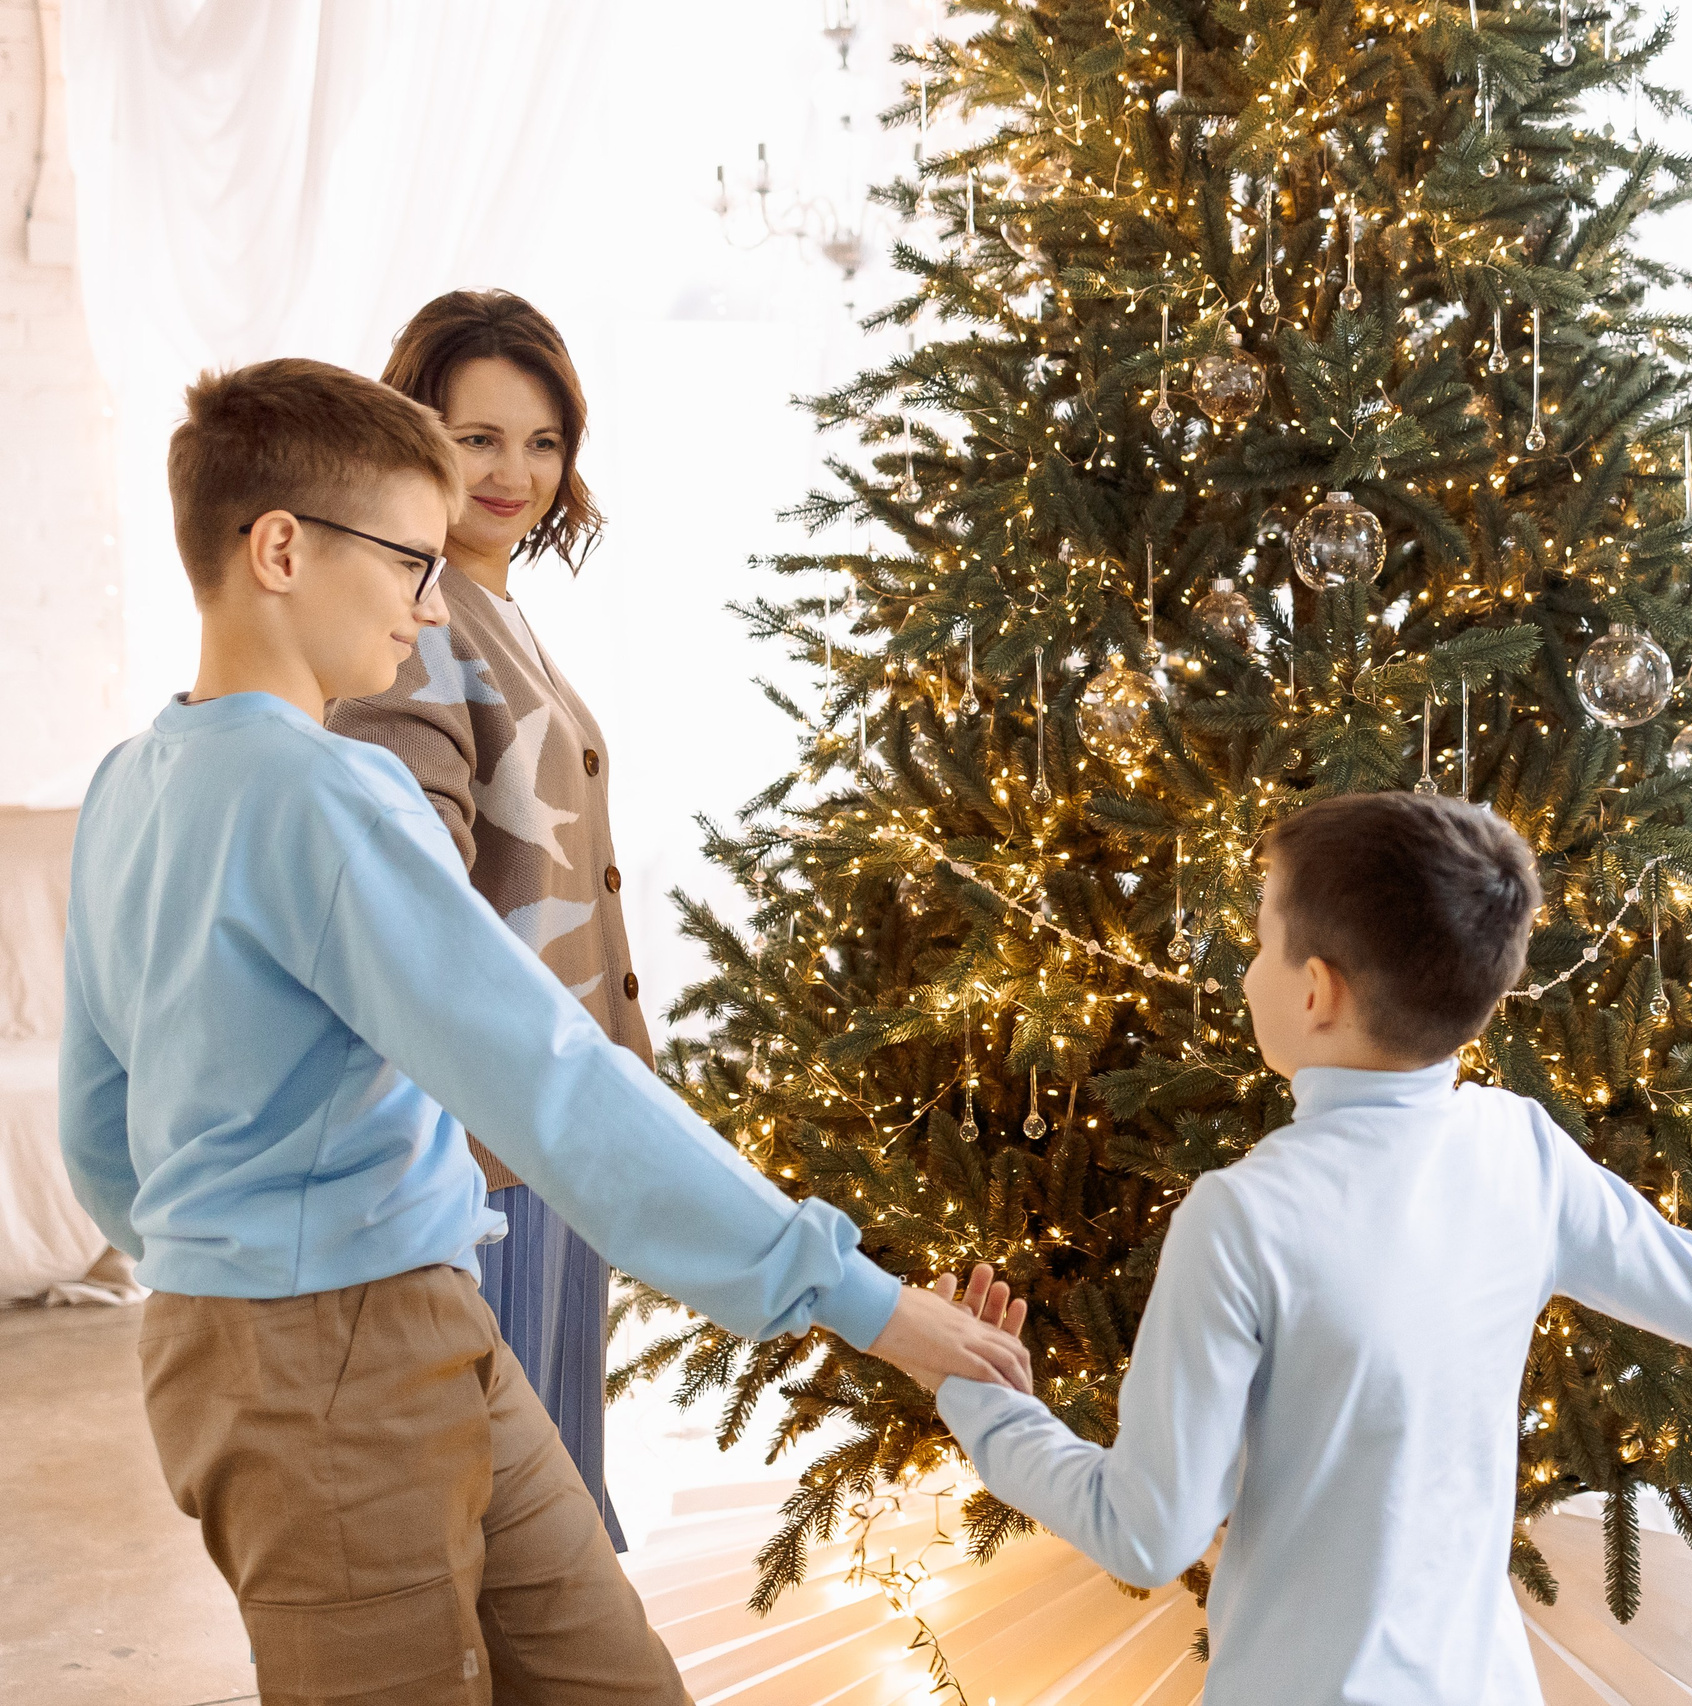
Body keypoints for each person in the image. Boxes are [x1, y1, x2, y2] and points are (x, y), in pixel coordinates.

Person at [56, 357, 1030, 1703]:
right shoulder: (328, 795)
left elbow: (97, 1126)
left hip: (396, 1318)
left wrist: (218, 1269)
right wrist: (857, 1296)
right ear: (280, 549)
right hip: (326, 1356)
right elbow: (552, 1080)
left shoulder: (129, 780)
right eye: (410, 560)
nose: (430, 600)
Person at [925, 789, 1692, 1706]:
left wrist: (976, 1397)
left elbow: (1148, 1532)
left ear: (1315, 990)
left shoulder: (1242, 1215)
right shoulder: (1516, 1147)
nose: (1247, 968)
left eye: (1260, 940)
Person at [329, 290, 636, 1546]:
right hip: (488, 1132)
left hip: (551, 1117)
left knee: (546, 1480)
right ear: (415, 437)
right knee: (505, 1513)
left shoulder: (489, 601)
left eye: (543, 441)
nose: (516, 472)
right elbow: (418, 903)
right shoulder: (415, 620)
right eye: (479, 439)